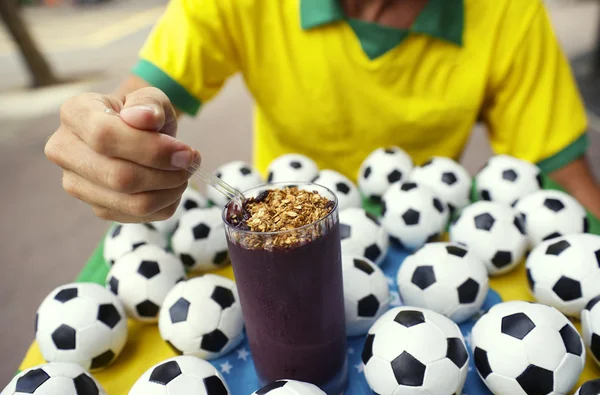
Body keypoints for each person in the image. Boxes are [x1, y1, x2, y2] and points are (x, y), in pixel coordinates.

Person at [45, 0, 600, 223]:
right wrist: (118, 133)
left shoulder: (508, 12)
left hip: (432, 229)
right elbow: (144, 98)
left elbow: (566, 179)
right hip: (279, 228)